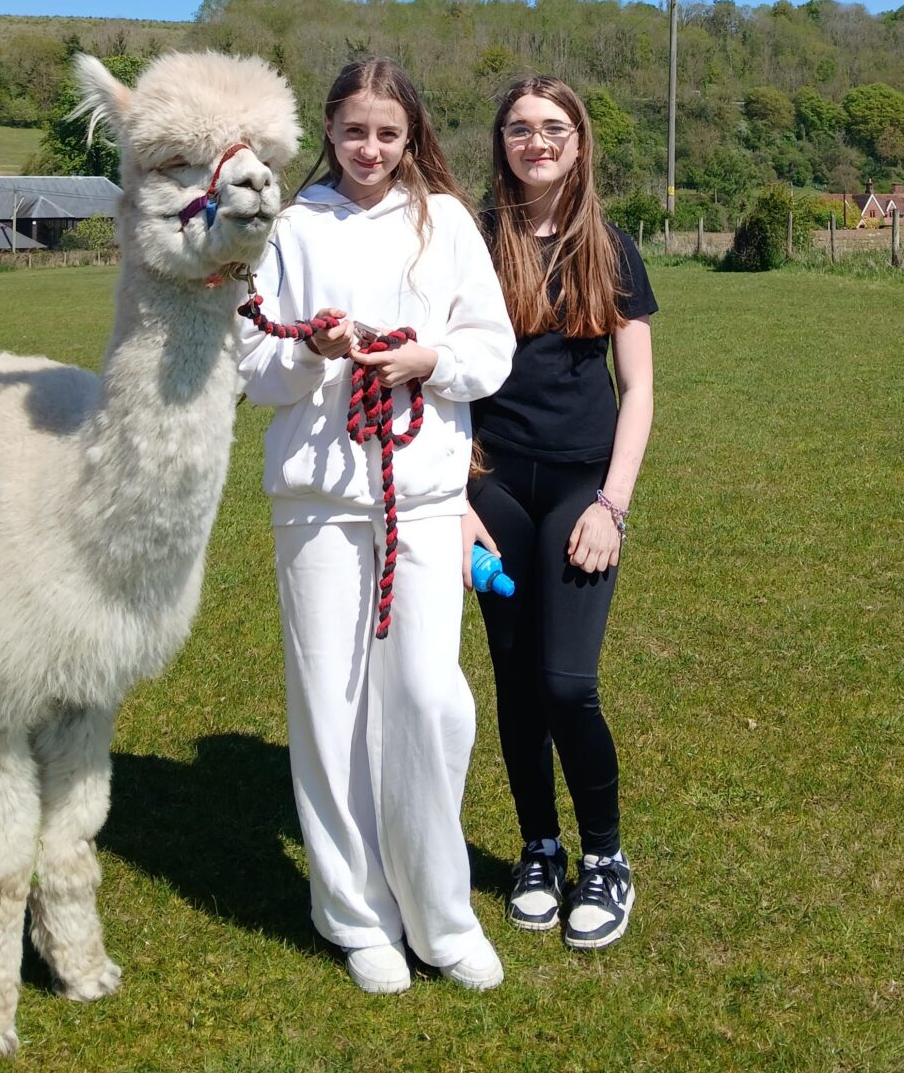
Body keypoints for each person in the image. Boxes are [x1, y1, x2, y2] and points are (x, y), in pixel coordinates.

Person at [236, 58, 515, 994]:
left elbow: (490, 348)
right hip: (318, 496)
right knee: (331, 707)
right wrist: (315, 355)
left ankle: (441, 914)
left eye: (387, 134)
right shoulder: (293, 223)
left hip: (426, 492)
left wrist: (423, 360)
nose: (369, 149)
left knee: (430, 702)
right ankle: (358, 916)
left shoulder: (446, 221)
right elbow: (253, 365)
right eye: (354, 130)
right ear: (330, 128)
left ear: (410, 136)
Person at [464, 76, 656, 951]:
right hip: (491, 486)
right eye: (518, 128)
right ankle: (538, 848)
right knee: (513, 680)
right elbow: (441, 371)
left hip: (582, 482)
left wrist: (612, 505)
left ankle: (605, 857)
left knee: (566, 684)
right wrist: (456, 495)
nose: (535, 141)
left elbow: (639, 388)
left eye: (553, 128)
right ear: (500, 142)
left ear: (579, 142)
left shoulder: (609, 246)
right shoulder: (469, 240)